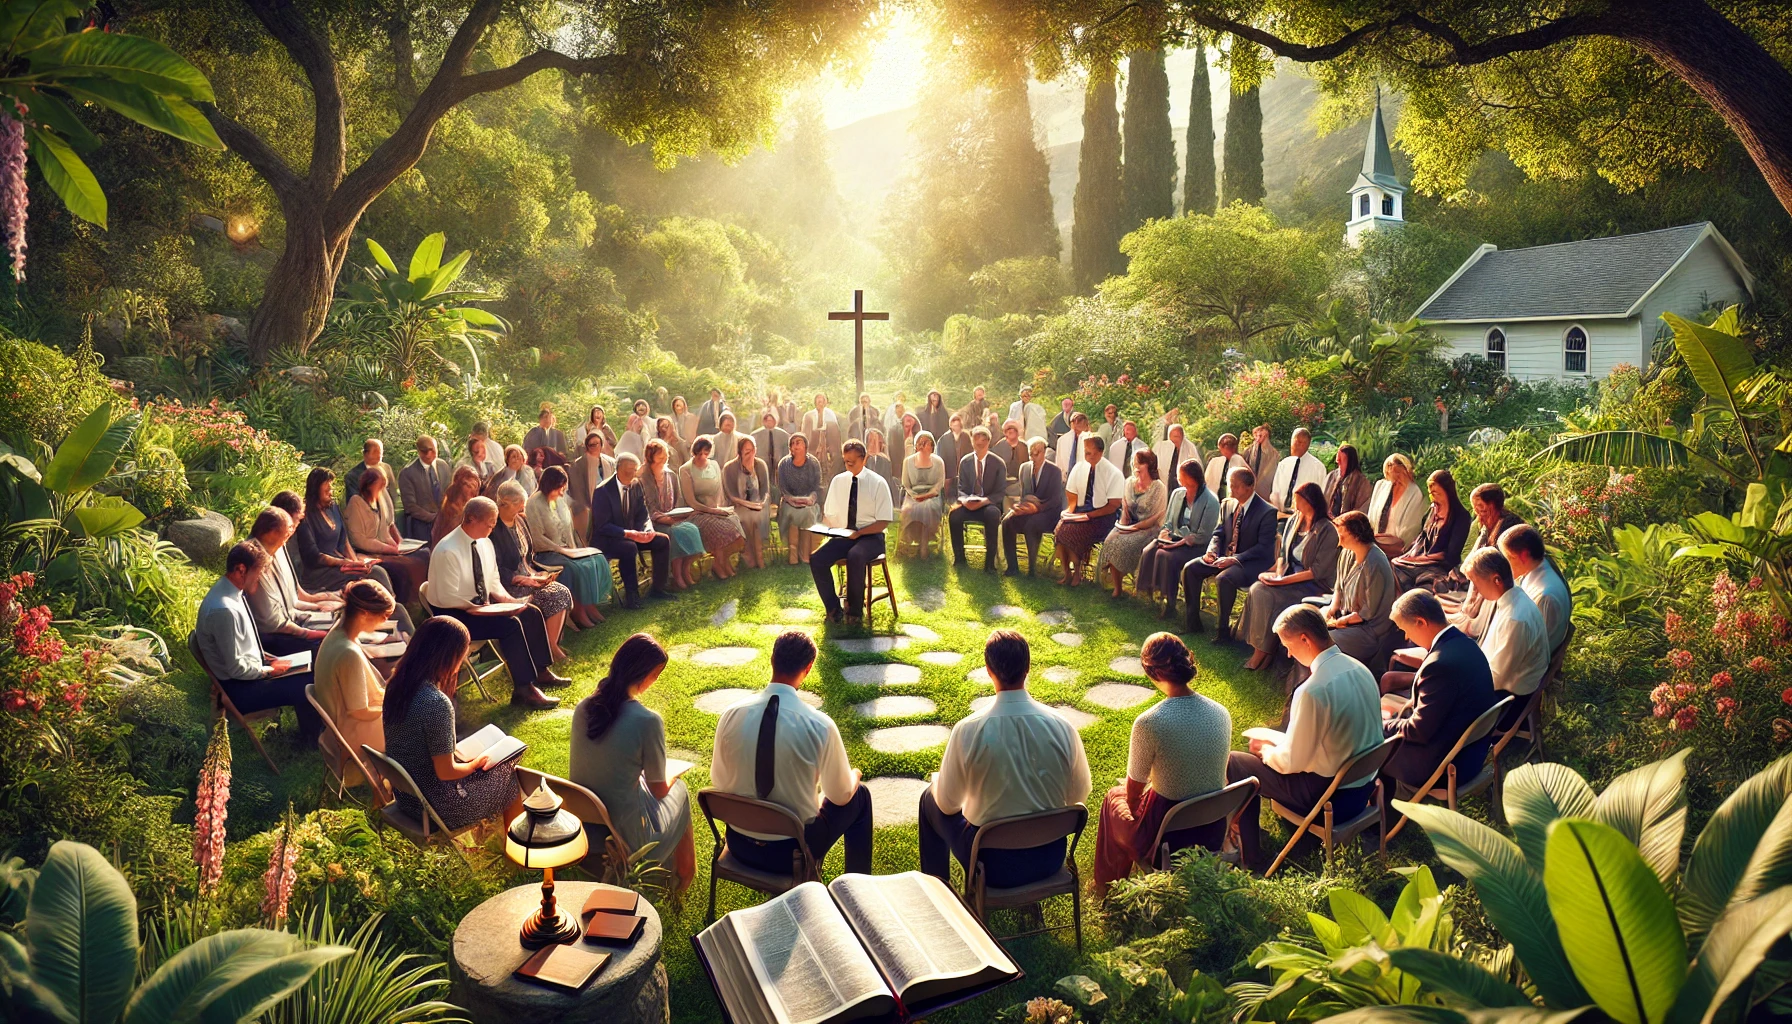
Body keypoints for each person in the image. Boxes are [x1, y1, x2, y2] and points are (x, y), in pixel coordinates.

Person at [920, 630, 1091, 888]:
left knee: (929, 799)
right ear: (1028, 667)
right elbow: (1078, 796)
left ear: (989, 670)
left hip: (992, 865)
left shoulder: (968, 730)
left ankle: (937, 895)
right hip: (1049, 857)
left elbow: (947, 806)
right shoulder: (1063, 727)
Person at [1225, 606, 1383, 871]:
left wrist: (1265, 751)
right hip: (1361, 787)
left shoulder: (1313, 689)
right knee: (1270, 751)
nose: (1287, 653)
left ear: (1305, 639)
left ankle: (1251, 855)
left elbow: (1291, 763)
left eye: (1287, 645)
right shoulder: (1361, 669)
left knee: (1236, 763)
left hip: (1328, 799)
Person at [712, 632, 873, 874]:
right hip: (790, 852)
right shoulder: (820, 725)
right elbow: (840, 796)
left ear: (772, 659)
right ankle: (856, 887)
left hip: (739, 843)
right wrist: (854, 777)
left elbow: (720, 782)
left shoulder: (731, 714)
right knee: (859, 795)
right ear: (808, 668)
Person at [1093, 633, 1232, 893]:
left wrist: (1134, 802)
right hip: (1212, 828)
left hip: (1167, 838)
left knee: (1114, 798)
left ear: (1151, 672)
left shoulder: (1150, 722)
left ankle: (1106, 886)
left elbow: (1133, 796)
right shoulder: (1220, 712)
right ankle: (1109, 883)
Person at [570, 634, 696, 890]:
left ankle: (678, 874)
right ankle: (684, 875)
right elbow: (660, 789)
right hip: (627, 835)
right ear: (646, 674)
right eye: (657, 675)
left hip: (585, 823)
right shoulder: (647, 720)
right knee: (680, 791)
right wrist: (672, 775)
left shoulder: (583, 707)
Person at [382, 616, 524, 829]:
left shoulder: (396, 686)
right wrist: (474, 764)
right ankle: (516, 849)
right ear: (449, 656)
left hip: (407, 797)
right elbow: (446, 772)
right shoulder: (435, 703)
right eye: (463, 653)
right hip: (436, 806)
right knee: (509, 778)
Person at [427, 496, 568, 708]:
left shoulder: (485, 544)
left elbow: (492, 581)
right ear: (471, 519)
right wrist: (479, 609)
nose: (492, 529)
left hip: (479, 607)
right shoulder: (448, 549)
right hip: (453, 615)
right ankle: (523, 689)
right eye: (490, 524)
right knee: (510, 627)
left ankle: (541, 670)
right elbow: (447, 596)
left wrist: (510, 602)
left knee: (530, 612)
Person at [196, 542, 320, 742]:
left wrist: (271, 660)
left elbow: (244, 648)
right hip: (240, 689)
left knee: (310, 667)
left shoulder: (232, 593)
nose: (261, 577)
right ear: (241, 570)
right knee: (307, 683)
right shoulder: (224, 610)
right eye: (260, 571)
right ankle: (310, 741)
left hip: (251, 675)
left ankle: (311, 735)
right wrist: (271, 671)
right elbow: (236, 669)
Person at [1379, 590, 1500, 790]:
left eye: (1405, 629)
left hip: (1446, 765)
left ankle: (1390, 814)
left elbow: (1418, 731)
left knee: (1370, 749)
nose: (1407, 636)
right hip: (1471, 751)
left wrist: (1382, 724)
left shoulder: (1439, 665)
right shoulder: (1466, 644)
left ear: (1420, 622)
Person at [1240, 482, 1339, 670]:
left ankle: (1263, 652)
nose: (1294, 503)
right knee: (1258, 588)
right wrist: (1273, 575)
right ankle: (1258, 646)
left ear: (1309, 501)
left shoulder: (1327, 529)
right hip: (1287, 577)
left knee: (1267, 596)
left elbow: (1317, 571)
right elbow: (1283, 555)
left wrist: (1282, 582)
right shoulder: (1294, 520)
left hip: (1312, 584)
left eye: (1298, 499)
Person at [1179, 467, 1277, 639]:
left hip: (1249, 563)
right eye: (1230, 484)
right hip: (1223, 556)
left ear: (1250, 487)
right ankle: (1193, 623)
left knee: (1224, 578)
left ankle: (1222, 631)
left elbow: (1263, 548)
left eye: (1235, 486)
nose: (1231, 489)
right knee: (1190, 568)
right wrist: (1212, 551)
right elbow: (1218, 533)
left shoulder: (1267, 512)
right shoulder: (1227, 504)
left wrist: (1234, 559)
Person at [812, 440, 892, 623]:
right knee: (817, 559)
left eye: (852, 462)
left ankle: (855, 611)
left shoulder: (878, 483)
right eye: (845, 461)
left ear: (863, 460)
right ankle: (833, 609)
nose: (847, 466)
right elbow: (830, 514)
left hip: (871, 536)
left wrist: (860, 533)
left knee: (855, 555)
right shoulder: (838, 481)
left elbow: (883, 522)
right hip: (845, 534)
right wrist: (827, 529)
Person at [490, 482, 574, 657]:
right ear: (505, 503)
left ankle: (550, 645)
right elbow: (494, 568)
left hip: (527, 576)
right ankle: (549, 649)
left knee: (562, 591)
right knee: (555, 594)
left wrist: (537, 574)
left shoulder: (520, 520)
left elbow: (527, 557)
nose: (522, 507)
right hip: (508, 586)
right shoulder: (493, 529)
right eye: (519, 504)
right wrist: (519, 578)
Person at [313, 578, 393, 761]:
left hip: (340, 726)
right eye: (384, 616)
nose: (385, 621)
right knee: (420, 721)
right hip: (354, 734)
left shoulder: (338, 632)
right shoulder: (349, 653)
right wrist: (393, 708)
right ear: (364, 613)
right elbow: (359, 712)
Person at [1463, 548, 1550, 709]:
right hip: (1497, 680)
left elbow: (1496, 679)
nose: (1476, 590)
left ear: (1497, 580)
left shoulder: (1515, 620)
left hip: (1508, 700)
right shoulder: (1514, 595)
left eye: (1476, 583)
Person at [295, 467, 401, 597]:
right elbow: (315, 556)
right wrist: (346, 563)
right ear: (315, 491)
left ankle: (389, 606)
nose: (331, 492)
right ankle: (380, 608)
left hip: (341, 562)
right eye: (327, 490)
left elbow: (344, 540)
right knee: (370, 578)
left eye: (331, 488)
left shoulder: (332, 507)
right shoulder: (306, 516)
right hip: (320, 572)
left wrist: (356, 562)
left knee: (378, 571)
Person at [527, 466, 610, 625]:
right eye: (559, 488)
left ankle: (589, 605)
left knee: (594, 559)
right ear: (549, 485)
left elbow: (569, 529)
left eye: (563, 488)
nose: (561, 492)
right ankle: (577, 611)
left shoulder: (560, 500)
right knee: (574, 568)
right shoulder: (533, 503)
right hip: (547, 553)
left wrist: (573, 550)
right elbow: (537, 538)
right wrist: (560, 550)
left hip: (567, 550)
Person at [244, 508, 330, 657]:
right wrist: (308, 633)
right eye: (288, 528)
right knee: (328, 644)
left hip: (292, 623)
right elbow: (272, 622)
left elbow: (290, 605)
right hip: (272, 638)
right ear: (271, 533)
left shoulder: (275, 548)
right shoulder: (254, 559)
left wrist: (319, 608)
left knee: (339, 622)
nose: (291, 532)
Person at [593, 452, 673, 607]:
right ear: (618, 469)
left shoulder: (636, 485)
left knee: (662, 540)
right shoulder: (602, 491)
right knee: (628, 548)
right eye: (628, 470)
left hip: (633, 534)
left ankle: (658, 588)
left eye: (634, 469)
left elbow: (643, 514)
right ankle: (632, 596)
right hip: (609, 539)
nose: (632, 473)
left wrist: (647, 530)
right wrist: (627, 534)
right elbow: (602, 525)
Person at [1140, 459, 1220, 614]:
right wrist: (1165, 532)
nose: (1178, 478)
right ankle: (1150, 594)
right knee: (1149, 550)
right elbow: (1169, 522)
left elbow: (1204, 535)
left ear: (1192, 477)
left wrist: (1184, 540)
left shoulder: (1211, 501)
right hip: (1175, 539)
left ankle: (1170, 603)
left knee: (1168, 557)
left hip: (1196, 545)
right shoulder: (1178, 494)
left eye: (1181, 475)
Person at [1443, 484, 1526, 627]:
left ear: (1492, 505)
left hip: (1507, 577)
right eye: (1474, 506)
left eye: (1480, 506)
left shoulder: (1507, 525)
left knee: (1483, 572)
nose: (1476, 511)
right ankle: (1467, 611)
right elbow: (1477, 550)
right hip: (1491, 570)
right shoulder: (1487, 521)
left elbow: (1496, 558)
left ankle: (1473, 617)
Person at [1325, 510, 1399, 671]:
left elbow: (1367, 612)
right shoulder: (1346, 553)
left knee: (1322, 641)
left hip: (1369, 630)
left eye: (1342, 535)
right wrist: (1331, 610)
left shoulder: (1375, 563)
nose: (1339, 539)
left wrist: (1338, 623)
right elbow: (1339, 586)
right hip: (1345, 617)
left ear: (1356, 535)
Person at [344, 465, 427, 603]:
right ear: (369, 485)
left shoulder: (379, 501)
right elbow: (359, 539)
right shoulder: (356, 503)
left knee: (424, 555)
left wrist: (396, 545)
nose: (382, 489)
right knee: (401, 569)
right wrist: (387, 548)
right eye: (380, 485)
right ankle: (402, 603)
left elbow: (385, 529)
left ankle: (422, 598)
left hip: (384, 549)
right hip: (367, 552)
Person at [1054, 434, 1125, 586]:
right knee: (1060, 531)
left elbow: (1113, 505)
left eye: (1093, 453)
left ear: (1101, 452)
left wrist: (1088, 515)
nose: (1089, 456)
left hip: (1102, 517)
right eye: (1087, 452)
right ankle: (1067, 572)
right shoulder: (1079, 467)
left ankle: (1078, 572)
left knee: (1073, 533)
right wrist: (1070, 512)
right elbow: (1071, 494)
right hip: (1080, 513)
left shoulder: (1113, 472)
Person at [1097, 449, 1166, 597]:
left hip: (1149, 529)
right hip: (1129, 525)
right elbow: (1125, 509)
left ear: (1149, 465)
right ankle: (1117, 587)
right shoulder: (1129, 483)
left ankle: (1136, 584)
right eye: (1134, 462)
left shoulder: (1159, 487)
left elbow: (1155, 518)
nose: (1135, 466)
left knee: (1124, 545)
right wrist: (1122, 527)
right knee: (1110, 541)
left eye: (1139, 463)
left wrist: (1134, 528)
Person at [1392, 469, 1472, 591]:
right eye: (1430, 493)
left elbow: (1451, 555)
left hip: (1440, 566)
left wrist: (1420, 559)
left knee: (1425, 583)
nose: (1432, 497)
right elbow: (1422, 538)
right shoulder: (1432, 511)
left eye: (1436, 493)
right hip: (1421, 560)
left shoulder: (1461, 516)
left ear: (1448, 492)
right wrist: (1408, 554)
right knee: (1393, 568)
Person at [640, 440, 703, 589]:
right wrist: (664, 519)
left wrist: (677, 515)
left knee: (692, 529)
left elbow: (678, 500)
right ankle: (676, 574)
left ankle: (685, 569)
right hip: (653, 522)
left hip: (673, 517)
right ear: (650, 457)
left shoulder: (671, 475)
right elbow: (646, 508)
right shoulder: (643, 478)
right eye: (660, 458)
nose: (663, 460)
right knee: (673, 533)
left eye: (665, 456)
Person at [680, 437, 745, 579]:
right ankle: (720, 566)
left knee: (735, 528)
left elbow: (720, 491)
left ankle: (720, 561)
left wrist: (720, 509)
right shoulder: (685, 469)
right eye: (699, 453)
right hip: (697, 513)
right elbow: (691, 501)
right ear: (694, 452)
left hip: (716, 509)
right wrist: (712, 511)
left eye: (706, 453)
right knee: (717, 528)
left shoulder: (714, 465)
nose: (703, 456)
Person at [1501, 526, 1570, 651]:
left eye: (1508, 558)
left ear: (1523, 555)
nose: (1505, 564)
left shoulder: (1545, 596)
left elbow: (1534, 648)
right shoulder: (1537, 571)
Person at [1002, 436, 1063, 576]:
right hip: (1029, 508)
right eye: (1031, 453)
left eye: (1037, 453)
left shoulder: (1054, 471)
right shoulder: (1024, 468)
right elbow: (1024, 495)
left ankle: (1032, 569)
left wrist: (1037, 508)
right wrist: (1020, 508)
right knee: (1007, 521)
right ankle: (1012, 566)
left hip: (1048, 511)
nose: (1034, 456)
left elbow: (1055, 500)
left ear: (1044, 452)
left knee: (1031, 524)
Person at [951, 426, 1006, 572]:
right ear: (972, 441)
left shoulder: (998, 463)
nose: (980, 442)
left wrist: (984, 501)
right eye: (976, 438)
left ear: (989, 442)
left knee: (993, 515)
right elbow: (961, 487)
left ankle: (989, 563)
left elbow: (1000, 492)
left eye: (983, 439)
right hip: (968, 503)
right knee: (954, 515)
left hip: (988, 504)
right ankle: (959, 558)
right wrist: (965, 501)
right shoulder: (965, 462)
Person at [723, 436, 772, 570]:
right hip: (739, 505)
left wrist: (761, 503)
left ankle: (759, 558)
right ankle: (751, 558)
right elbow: (731, 495)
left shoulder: (760, 465)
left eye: (752, 450)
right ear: (739, 452)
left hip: (759, 504)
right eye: (746, 451)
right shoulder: (730, 468)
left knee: (756, 517)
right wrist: (749, 505)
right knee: (746, 518)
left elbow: (765, 491)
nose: (750, 454)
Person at [777, 433, 824, 565]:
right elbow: (782, 488)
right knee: (793, 513)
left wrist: (811, 498)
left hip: (809, 502)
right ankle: (793, 556)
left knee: (808, 513)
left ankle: (805, 555)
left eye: (798, 442)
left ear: (805, 446)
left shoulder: (813, 463)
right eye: (792, 443)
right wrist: (792, 500)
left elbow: (817, 486)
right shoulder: (784, 464)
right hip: (789, 502)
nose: (795, 445)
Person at [1367, 454, 1427, 556]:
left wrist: (1397, 548)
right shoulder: (1381, 486)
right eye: (1392, 475)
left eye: (1399, 474)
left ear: (1407, 471)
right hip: (1375, 545)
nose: (1397, 479)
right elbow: (1371, 515)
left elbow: (1412, 527)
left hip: (1398, 549)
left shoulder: (1414, 492)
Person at [398, 435, 454, 541]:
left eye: (431, 450)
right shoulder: (407, 473)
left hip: (445, 522)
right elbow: (410, 506)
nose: (428, 455)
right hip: (422, 526)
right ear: (418, 451)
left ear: (437, 449)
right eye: (424, 451)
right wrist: (433, 518)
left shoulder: (443, 466)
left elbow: (449, 493)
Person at [899, 430, 945, 555]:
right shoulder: (908, 462)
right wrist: (914, 496)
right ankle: (907, 544)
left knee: (928, 507)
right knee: (908, 510)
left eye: (926, 443)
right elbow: (906, 485)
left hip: (932, 496)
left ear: (932, 446)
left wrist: (926, 496)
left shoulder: (938, 462)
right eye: (920, 443)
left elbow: (938, 485)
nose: (923, 446)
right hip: (912, 495)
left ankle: (924, 545)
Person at [1268, 428, 1327, 519]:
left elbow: (1321, 497)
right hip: (1281, 515)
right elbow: (1275, 491)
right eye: (1295, 442)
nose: (1296, 446)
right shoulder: (1284, 464)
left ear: (1307, 444)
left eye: (1301, 443)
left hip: (1304, 518)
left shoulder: (1318, 468)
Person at [567, 431, 616, 543]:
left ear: (601, 444)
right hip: (588, 504)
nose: (594, 447)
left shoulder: (610, 462)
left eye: (597, 443)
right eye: (591, 444)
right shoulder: (578, 464)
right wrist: (586, 507)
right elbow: (577, 489)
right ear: (587, 446)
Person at [432, 465, 483, 545]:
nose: (471, 490)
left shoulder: (470, 509)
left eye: (474, 487)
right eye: (468, 485)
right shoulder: (452, 509)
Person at [802, 393, 843, 485]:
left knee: (834, 458)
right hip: (813, 443)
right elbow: (806, 432)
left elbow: (834, 431)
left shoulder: (830, 414)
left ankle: (830, 481)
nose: (820, 403)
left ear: (825, 402)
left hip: (828, 441)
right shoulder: (808, 415)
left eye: (822, 401)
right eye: (818, 401)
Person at [1323, 443, 1372, 519]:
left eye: (1342, 460)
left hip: (1349, 525)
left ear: (1350, 462)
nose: (1338, 462)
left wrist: (1345, 519)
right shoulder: (1331, 476)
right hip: (1329, 523)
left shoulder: (1361, 482)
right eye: (1338, 461)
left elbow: (1363, 508)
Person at [1243, 425, 1281, 502]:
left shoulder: (1274, 453)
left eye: (1262, 435)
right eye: (1256, 435)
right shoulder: (1249, 451)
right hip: (1250, 487)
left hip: (1265, 490)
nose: (1259, 437)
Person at [753, 412, 791, 486]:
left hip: (778, 461)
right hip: (762, 461)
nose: (769, 422)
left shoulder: (783, 434)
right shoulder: (756, 434)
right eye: (767, 420)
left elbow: (786, 448)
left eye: (771, 420)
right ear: (764, 421)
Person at [995, 420, 1027, 509]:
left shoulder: (1024, 447)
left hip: (1020, 483)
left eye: (1013, 430)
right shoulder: (999, 446)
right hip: (1003, 484)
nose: (1011, 432)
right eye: (1008, 430)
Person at [1053, 411, 1092, 477]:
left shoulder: (1091, 440)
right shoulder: (1062, 440)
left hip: (1085, 477)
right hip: (1066, 477)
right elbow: (1058, 463)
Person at [864, 428, 899, 500]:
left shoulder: (885, 460)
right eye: (872, 441)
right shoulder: (861, 458)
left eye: (877, 442)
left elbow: (882, 477)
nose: (874, 444)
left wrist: (877, 452)